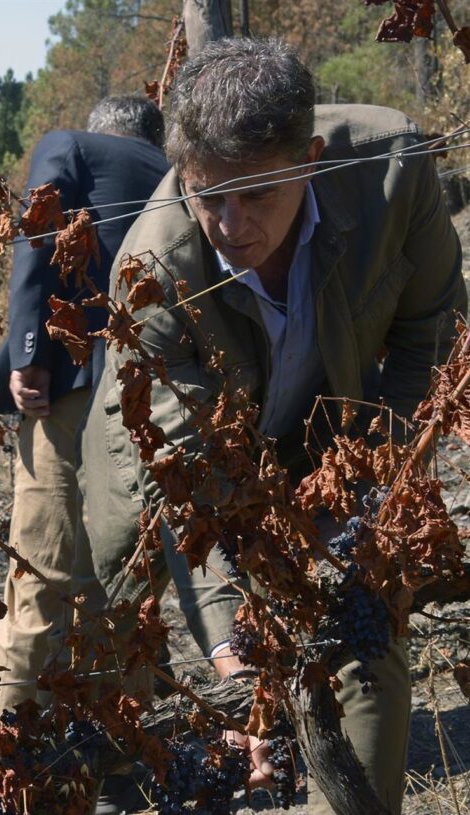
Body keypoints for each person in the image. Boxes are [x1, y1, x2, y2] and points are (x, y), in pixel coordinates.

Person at [79, 38, 464, 814]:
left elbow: (432, 333)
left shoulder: (395, 170)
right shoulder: (151, 274)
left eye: (256, 195)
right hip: (166, 470)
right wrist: (238, 653)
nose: (230, 223)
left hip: (330, 435)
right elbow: (186, 486)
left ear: (312, 159)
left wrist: (365, 496)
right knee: (104, 652)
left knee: (362, 636)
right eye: (207, 196)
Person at [0, 95, 169, 710]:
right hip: (156, 397)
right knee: (123, 572)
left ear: (99, 131)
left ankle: (15, 734)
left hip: (72, 388)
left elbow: (38, 229)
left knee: (41, 566)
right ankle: (119, 740)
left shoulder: (74, 145)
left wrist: (28, 352)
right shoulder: (174, 175)